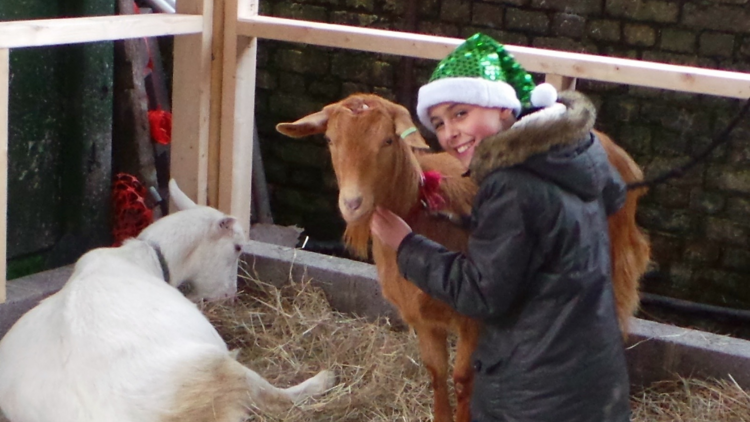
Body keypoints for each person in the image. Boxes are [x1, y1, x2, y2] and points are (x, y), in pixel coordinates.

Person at [370, 33, 631, 422]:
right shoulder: (570, 156)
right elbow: (549, 231)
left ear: (504, 110)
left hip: (533, 393)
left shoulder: (510, 183)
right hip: (590, 379)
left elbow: (481, 294)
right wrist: (468, 221)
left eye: (461, 114)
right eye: (439, 123)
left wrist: (407, 245)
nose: (449, 133)